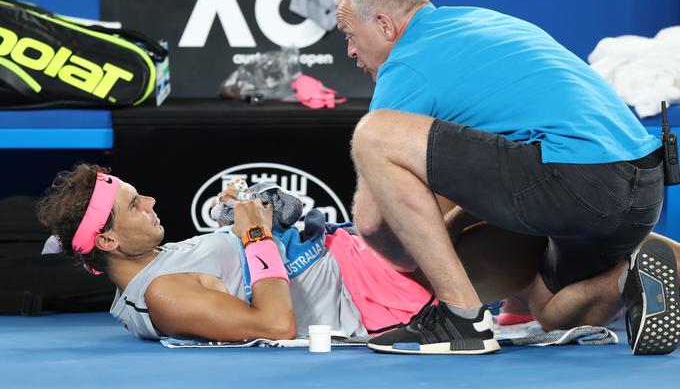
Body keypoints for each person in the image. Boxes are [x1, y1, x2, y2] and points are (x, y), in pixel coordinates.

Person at [335, 0, 680, 355]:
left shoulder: (406, 63)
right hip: (641, 187)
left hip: (576, 180)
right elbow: (500, 167)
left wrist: (423, 256)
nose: (350, 50)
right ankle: (629, 275)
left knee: (375, 134)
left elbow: (373, 223)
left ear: (384, 25)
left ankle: (460, 320)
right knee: (551, 312)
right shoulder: (482, 23)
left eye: (349, 34)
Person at [36, 164, 546, 342]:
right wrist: (258, 236)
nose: (148, 201)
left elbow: (234, 263)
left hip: (353, 254)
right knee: (523, 230)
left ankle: (538, 290)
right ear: (107, 241)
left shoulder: (158, 261)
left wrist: (243, 215)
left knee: (472, 187)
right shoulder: (164, 296)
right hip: (372, 296)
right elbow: (274, 325)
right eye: (133, 203)